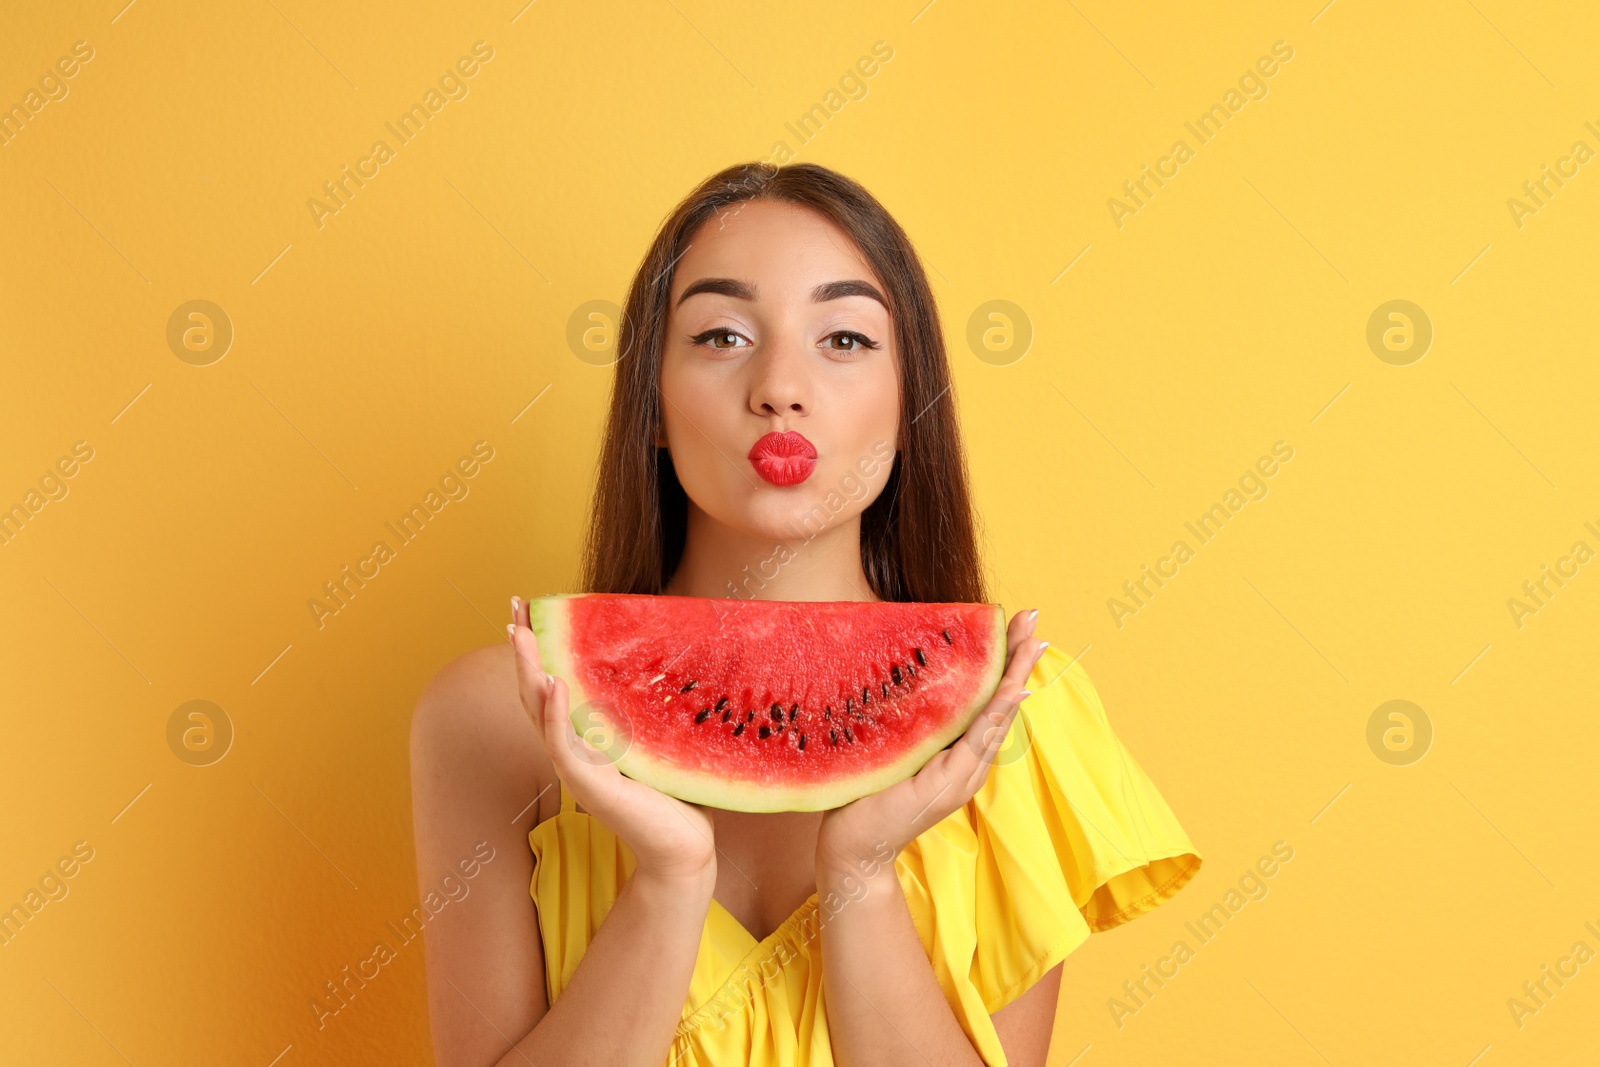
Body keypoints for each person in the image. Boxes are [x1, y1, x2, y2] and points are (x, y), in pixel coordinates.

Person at [409, 161, 1203, 1067]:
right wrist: (669, 882)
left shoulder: (1020, 716)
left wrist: (861, 879)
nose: (780, 386)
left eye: (846, 340)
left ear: (911, 406)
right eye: (721, 334)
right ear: (654, 407)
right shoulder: (489, 721)